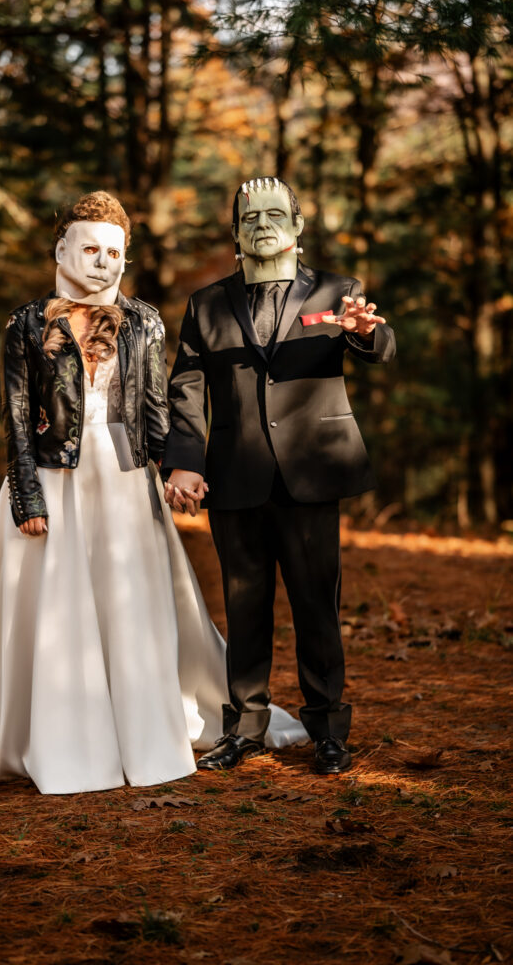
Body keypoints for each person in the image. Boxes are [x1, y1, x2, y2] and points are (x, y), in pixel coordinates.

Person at [0, 190, 306, 800]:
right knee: (52, 604)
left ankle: (136, 724)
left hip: (126, 484)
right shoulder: (28, 322)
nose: (103, 261)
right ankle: (59, 733)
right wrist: (27, 497)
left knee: (128, 601)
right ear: (61, 249)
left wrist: (172, 471)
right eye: (90, 248)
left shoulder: (144, 321)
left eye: (114, 252)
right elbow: (18, 413)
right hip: (55, 479)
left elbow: (156, 411)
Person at [163, 176, 396, 775]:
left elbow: (379, 342)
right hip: (235, 478)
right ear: (236, 234)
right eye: (249, 217)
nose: (262, 224)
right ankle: (245, 728)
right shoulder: (206, 304)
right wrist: (184, 458)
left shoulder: (339, 292)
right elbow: (186, 384)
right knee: (245, 608)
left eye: (274, 214)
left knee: (317, 605)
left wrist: (365, 334)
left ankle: (327, 729)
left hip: (312, 475)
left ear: (297, 226)